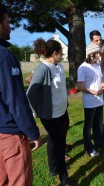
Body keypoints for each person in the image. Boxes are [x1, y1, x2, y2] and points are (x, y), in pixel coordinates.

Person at [0, 5, 41, 186]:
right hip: (10, 135)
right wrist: (33, 133)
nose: (10, 27)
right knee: (19, 181)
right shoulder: (4, 57)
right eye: (7, 22)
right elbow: (16, 100)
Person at [27, 38, 70, 186]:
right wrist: (37, 111)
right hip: (50, 115)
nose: (62, 55)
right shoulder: (43, 68)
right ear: (55, 53)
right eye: (61, 52)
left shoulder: (58, 66)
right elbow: (31, 93)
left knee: (54, 139)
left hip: (62, 111)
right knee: (59, 145)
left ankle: (53, 168)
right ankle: (64, 178)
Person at [77, 43, 104, 157]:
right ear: (90, 54)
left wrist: (102, 84)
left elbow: (100, 78)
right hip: (90, 102)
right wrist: (95, 92)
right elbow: (80, 86)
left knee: (98, 124)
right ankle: (88, 147)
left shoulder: (96, 65)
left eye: (98, 53)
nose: (98, 55)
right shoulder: (83, 67)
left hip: (99, 100)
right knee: (88, 125)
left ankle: (98, 142)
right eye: (96, 53)